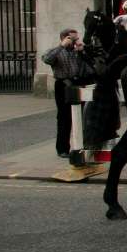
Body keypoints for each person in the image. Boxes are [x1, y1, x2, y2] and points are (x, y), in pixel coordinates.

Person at [41, 28, 93, 158]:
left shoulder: (78, 52)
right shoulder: (56, 51)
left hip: (78, 84)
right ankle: (63, 148)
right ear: (64, 38)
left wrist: (83, 52)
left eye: (76, 39)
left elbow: (91, 68)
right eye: (72, 39)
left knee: (83, 116)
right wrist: (61, 46)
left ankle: (82, 145)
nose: (75, 42)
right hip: (63, 85)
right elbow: (47, 59)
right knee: (64, 118)